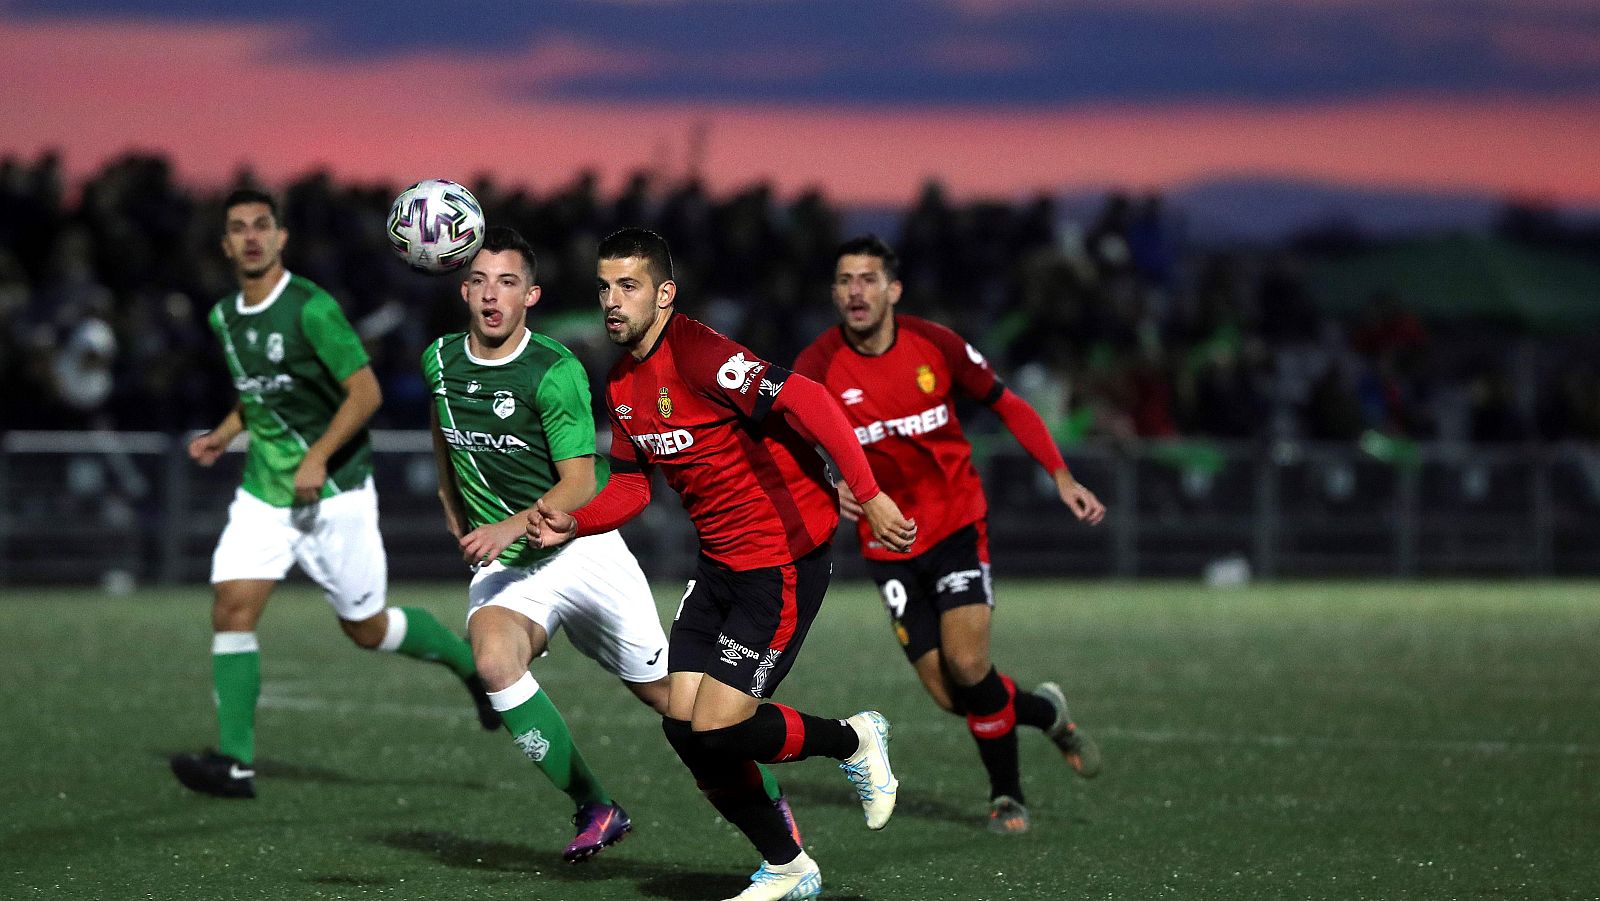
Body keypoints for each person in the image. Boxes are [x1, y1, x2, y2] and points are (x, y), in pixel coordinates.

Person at [528, 228, 916, 901]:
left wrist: (872, 492)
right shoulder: (622, 381)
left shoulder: (700, 352)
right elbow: (631, 483)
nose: (612, 302)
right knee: (684, 727)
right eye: (604, 287)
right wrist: (575, 518)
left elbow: (812, 400)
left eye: (629, 286)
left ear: (665, 293)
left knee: (719, 725)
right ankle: (788, 864)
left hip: (782, 562)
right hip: (719, 567)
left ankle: (854, 739)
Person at [424, 225, 794, 862]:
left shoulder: (554, 369)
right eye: (480, 281)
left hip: (581, 550)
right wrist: (450, 505)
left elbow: (578, 483)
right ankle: (596, 806)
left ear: (531, 295)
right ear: (463, 289)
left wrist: (511, 524)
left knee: (672, 704)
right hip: (511, 570)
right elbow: (444, 432)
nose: (492, 295)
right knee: (493, 664)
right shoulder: (439, 359)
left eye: (507, 282)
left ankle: (768, 799)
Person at [170, 189, 498, 799]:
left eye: (261, 226)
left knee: (367, 629)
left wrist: (318, 457)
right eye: (237, 228)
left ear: (280, 237)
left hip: (336, 493)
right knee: (232, 608)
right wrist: (223, 434)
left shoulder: (310, 308)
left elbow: (365, 392)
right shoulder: (223, 317)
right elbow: (259, 393)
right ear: (224, 244)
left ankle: (470, 667)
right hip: (266, 493)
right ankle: (235, 763)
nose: (250, 237)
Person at [793, 234, 1107, 834]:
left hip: (957, 523)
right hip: (889, 545)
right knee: (949, 695)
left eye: (867, 279)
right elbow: (780, 441)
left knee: (968, 664)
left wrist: (1061, 475)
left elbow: (1008, 404)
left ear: (893, 289)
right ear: (834, 292)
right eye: (844, 281)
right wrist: (827, 488)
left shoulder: (934, 345)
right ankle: (1044, 711)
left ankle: (1007, 796)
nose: (855, 292)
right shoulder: (818, 365)